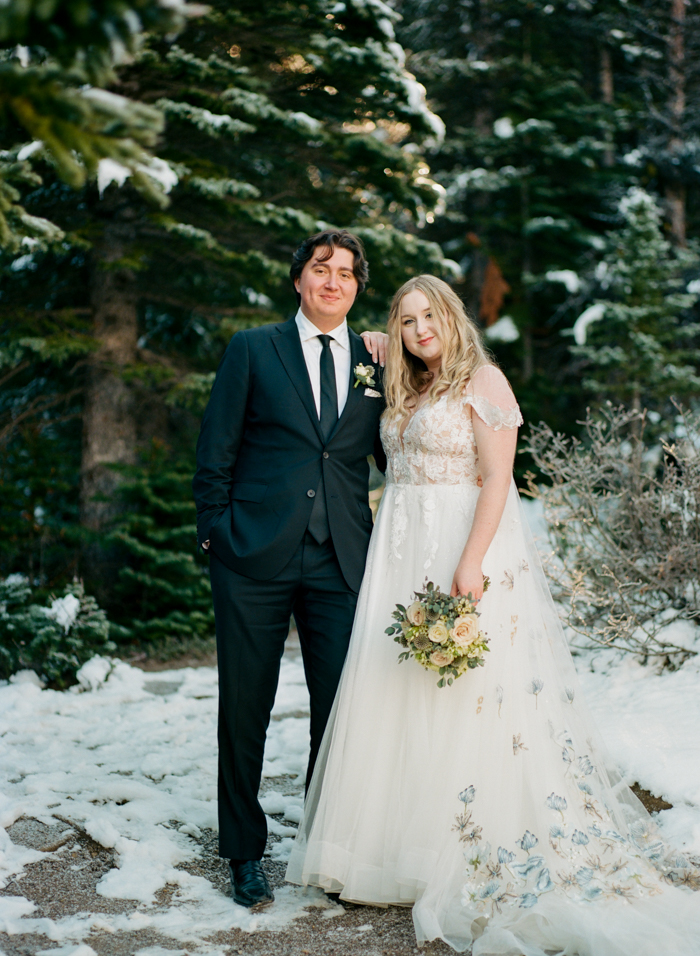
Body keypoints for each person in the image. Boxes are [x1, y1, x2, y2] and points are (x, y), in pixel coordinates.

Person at [286, 274, 700, 954]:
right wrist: (379, 343)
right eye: (408, 320)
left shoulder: (485, 380)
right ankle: (392, 851)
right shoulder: (406, 380)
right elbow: (371, 358)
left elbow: (499, 477)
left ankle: (460, 848)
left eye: (430, 316)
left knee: (467, 693)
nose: (420, 329)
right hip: (400, 549)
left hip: (460, 544)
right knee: (400, 686)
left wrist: (472, 561)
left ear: (451, 316)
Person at [193, 229, 388, 909]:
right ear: (299, 279)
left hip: (341, 559)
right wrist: (216, 533)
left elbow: (400, 456)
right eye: (320, 268)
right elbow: (214, 448)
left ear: (359, 287)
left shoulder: (377, 361)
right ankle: (244, 851)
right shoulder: (254, 348)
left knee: (340, 710)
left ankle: (326, 845)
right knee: (247, 705)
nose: (333, 280)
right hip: (253, 555)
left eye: (346, 273)